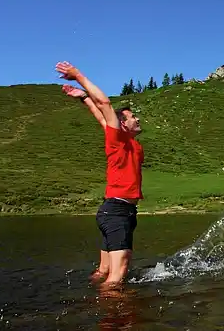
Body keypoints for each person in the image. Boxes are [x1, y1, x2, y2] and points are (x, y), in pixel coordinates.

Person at [55, 61, 144, 288]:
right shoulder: (116, 139)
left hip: (116, 211)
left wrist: (83, 97)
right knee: (118, 275)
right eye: (133, 116)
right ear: (122, 124)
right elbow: (104, 104)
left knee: (104, 271)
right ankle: (112, 318)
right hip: (116, 211)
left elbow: (100, 114)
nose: (138, 119)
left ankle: (88, 306)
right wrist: (77, 75)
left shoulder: (130, 143)